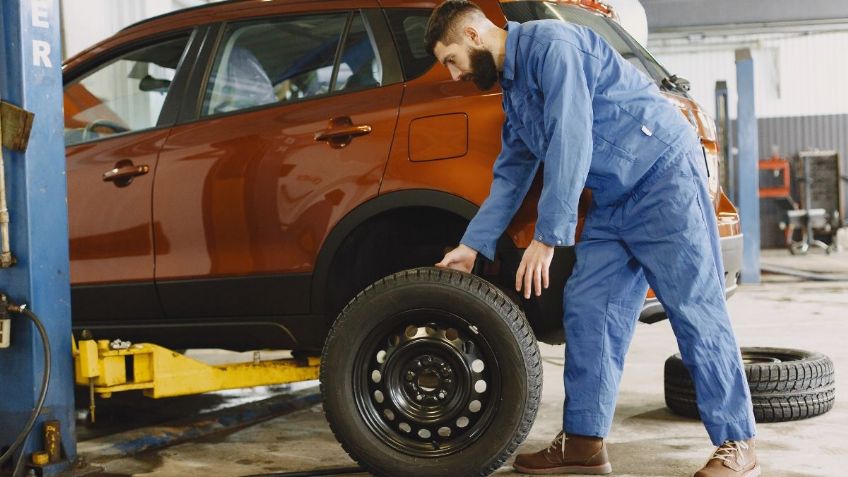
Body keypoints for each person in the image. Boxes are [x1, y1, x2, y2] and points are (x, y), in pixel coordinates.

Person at [426, 1, 760, 476]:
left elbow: (571, 135)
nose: (455, 74)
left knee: (694, 308)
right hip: (613, 198)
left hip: (662, 178)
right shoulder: (515, 89)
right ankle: (584, 442)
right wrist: (473, 244)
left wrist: (548, 237)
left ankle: (738, 443)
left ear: (476, 36)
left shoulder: (552, 46)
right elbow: (513, 171)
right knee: (589, 308)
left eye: (452, 60)